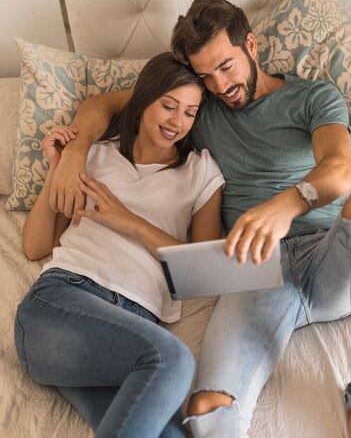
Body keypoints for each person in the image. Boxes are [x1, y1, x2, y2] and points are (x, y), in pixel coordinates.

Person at [47, 0, 351, 438]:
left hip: (327, 255)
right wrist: (74, 156)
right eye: (205, 75)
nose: (219, 85)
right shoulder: (198, 107)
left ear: (251, 45)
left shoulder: (313, 96)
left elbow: (339, 171)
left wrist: (288, 204)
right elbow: (102, 104)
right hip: (251, 273)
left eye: (226, 66)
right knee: (206, 411)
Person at [14, 52, 224, 438]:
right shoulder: (95, 155)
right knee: (172, 360)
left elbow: (205, 272)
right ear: (142, 100)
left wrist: (131, 222)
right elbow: (34, 245)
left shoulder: (201, 171)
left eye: (191, 112)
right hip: (61, 303)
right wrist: (58, 168)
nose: (178, 122)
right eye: (169, 106)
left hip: (132, 330)